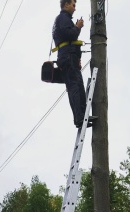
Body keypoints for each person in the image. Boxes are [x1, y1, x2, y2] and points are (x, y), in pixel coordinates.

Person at [52, 0, 97, 128]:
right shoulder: (63, 18)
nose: (74, 8)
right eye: (73, 5)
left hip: (68, 57)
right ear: (66, 4)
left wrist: (77, 58)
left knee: (77, 85)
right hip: (67, 56)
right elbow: (70, 35)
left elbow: (70, 39)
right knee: (74, 87)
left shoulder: (62, 19)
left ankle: (82, 115)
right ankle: (80, 117)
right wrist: (78, 26)